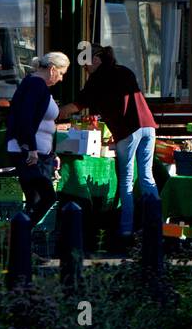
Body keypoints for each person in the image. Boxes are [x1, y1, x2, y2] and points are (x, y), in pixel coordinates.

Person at [60, 45, 158, 245]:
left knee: (126, 181)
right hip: (148, 127)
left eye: (86, 64)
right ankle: (155, 227)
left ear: (96, 60)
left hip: (128, 132)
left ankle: (125, 230)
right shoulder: (124, 71)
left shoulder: (98, 78)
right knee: (147, 178)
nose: (85, 69)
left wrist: (56, 112)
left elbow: (77, 105)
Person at [6, 52, 70, 227]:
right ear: (52, 69)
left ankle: (20, 241)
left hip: (36, 151)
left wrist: (51, 152)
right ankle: (15, 234)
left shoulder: (36, 84)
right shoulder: (36, 85)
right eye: (62, 73)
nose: (61, 79)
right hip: (27, 152)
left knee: (35, 199)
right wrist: (31, 148)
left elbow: (39, 122)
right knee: (48, 197)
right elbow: (25, 118)